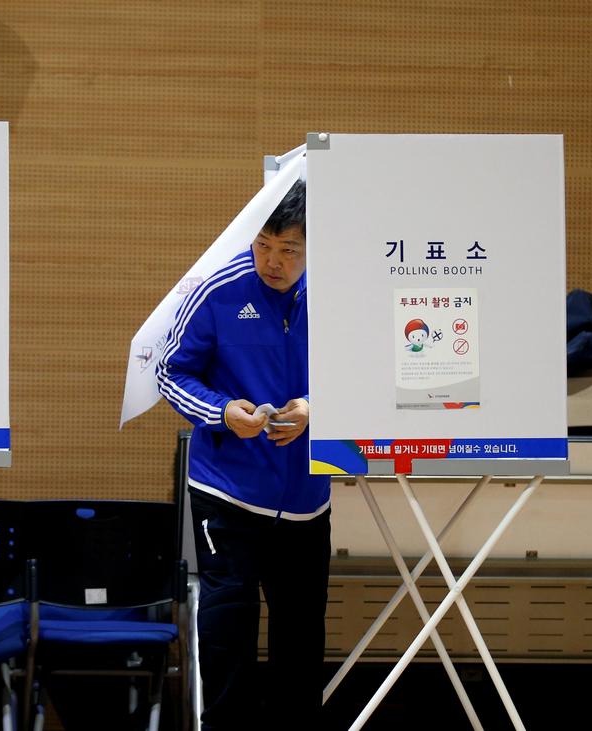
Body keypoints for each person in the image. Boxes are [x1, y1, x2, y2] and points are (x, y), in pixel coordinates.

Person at [157, 180, 330, 730]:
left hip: (307, 499)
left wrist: (315, 408)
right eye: (263, 245)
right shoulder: (218, 290)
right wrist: (222, 411)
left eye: (289, 250)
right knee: (227, 632)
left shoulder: (340, 296)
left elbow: (369, 375)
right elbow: (170, 372)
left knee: (301, 637)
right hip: (226, 492)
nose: (272, 261)